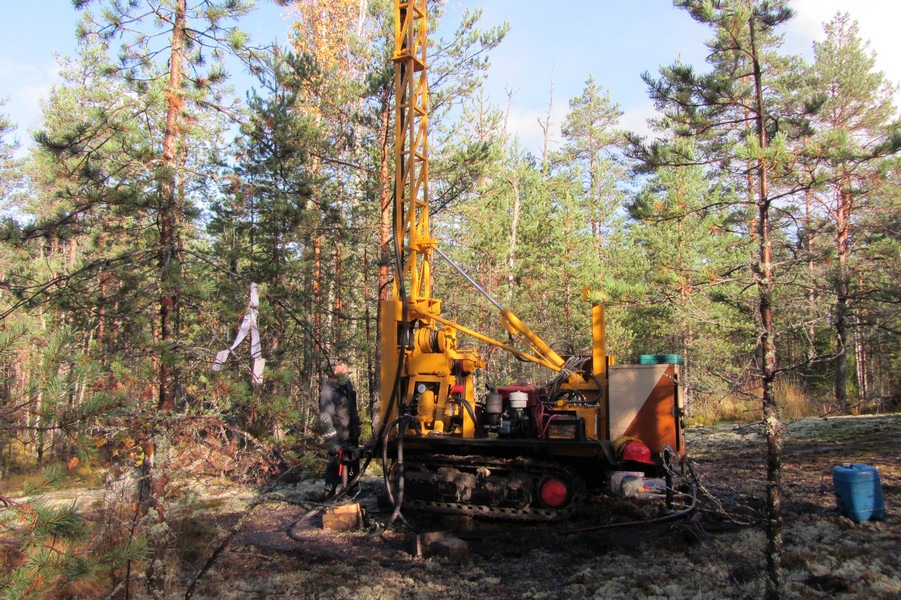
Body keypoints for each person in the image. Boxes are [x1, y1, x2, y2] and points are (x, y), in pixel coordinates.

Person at [319, 362, 361, 495]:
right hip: (338, 439)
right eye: (342, 366)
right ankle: (329, 495)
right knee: (334, 469)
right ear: (335, 371)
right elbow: (325, 419)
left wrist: (357, 426)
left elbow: (352, 409)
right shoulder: (328, 391)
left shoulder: (346, 386)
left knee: (353, 467)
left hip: (351, 437)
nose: (346, 369)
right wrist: (332, 444)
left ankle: (352, 491)